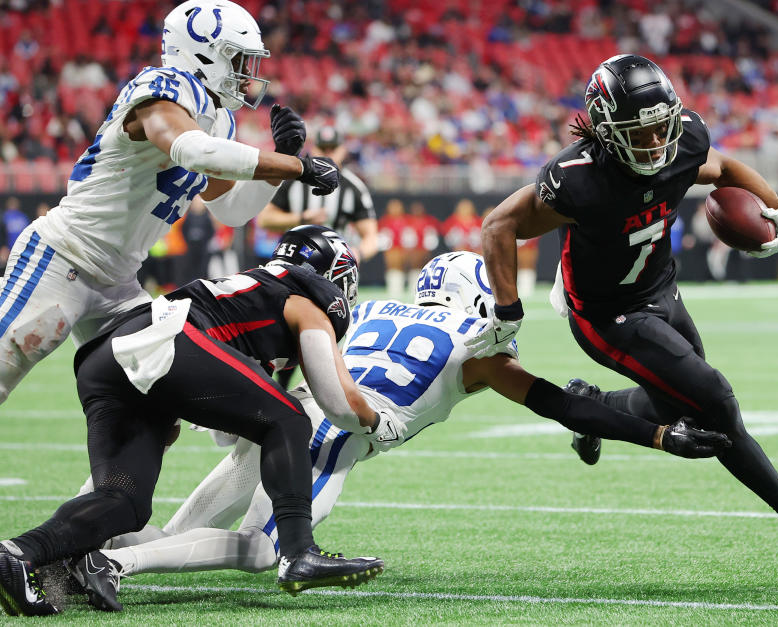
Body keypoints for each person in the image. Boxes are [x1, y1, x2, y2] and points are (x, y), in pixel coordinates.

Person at [65, 252, 731, 612]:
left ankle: (113, 545)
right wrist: (658, 435)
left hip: (282, 405)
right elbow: (565, 406)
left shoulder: (378, 306)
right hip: (334, 436)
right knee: (263, 551)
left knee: (208, 500)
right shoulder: (479, 351)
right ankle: (115, 559)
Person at [474, 54, 778, 573]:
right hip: (605, 314)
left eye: (662, 128)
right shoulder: (579, 179)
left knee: (681, 404)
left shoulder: (681, 142)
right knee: (714, 401)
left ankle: (593, 404)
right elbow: (498, 224)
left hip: (660, 289)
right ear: (608, 131)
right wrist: (507, 311)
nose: (658, 144)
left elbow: (723, 167)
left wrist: (777, 208)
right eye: (642, 133)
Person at [0, 226, 404, 616]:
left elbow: (225, 431)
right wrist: (378, 423)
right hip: (165, 342)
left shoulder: (255, 287)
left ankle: (19, 554)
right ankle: (299, 553)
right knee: (291, 417)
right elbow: (336, 401)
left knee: (123, 502)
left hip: (109, 358)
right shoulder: (304, 299)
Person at [0, 0, 341, 406]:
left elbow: (231, 209)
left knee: (150, 413)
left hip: (121, 282)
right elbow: (191, 150)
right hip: (65, 257)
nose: (245, 73)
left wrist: (277, 163)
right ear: (203, 51)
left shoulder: (217, 116)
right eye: (236, 58)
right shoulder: (164, 85)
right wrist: (293, 166)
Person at [257, 126, 379, 264]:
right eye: (323, 148)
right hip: (294, 261)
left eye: (333, 148)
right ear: (313, 149)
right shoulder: (292, 180)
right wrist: (301, 218)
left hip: (335, 265)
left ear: (343, 150)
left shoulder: (354, 187)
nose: (328, 154)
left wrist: (357, 254)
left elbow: (371, 236)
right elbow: (264, 220)